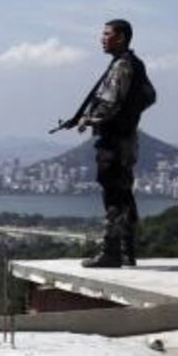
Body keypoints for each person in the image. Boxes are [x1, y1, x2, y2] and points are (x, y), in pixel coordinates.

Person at [55, 19, 155, 268]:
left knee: (114, 196)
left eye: (107, 34)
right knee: (124, 194)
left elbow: (110, 104)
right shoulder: (133, 64)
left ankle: (112, 252)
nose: (102, 38)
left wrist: (88, 119)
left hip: (114, 141)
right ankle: (126, 251)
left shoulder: (122, 66)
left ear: (121, 37)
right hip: (126, 139)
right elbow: (149, 96)